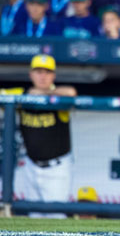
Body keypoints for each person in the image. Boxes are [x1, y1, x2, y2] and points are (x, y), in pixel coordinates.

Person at [1, 55, 76, 218]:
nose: (42, 76)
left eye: (47, 72)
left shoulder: (58, 95)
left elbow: (71, 93)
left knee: (56, 220)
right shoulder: (22, 94)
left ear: (53, 76)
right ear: (31, 74)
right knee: (34, 220)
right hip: (30, 166)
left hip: (57, 169)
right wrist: (28, 95)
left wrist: (43, 93)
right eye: (38, 72)